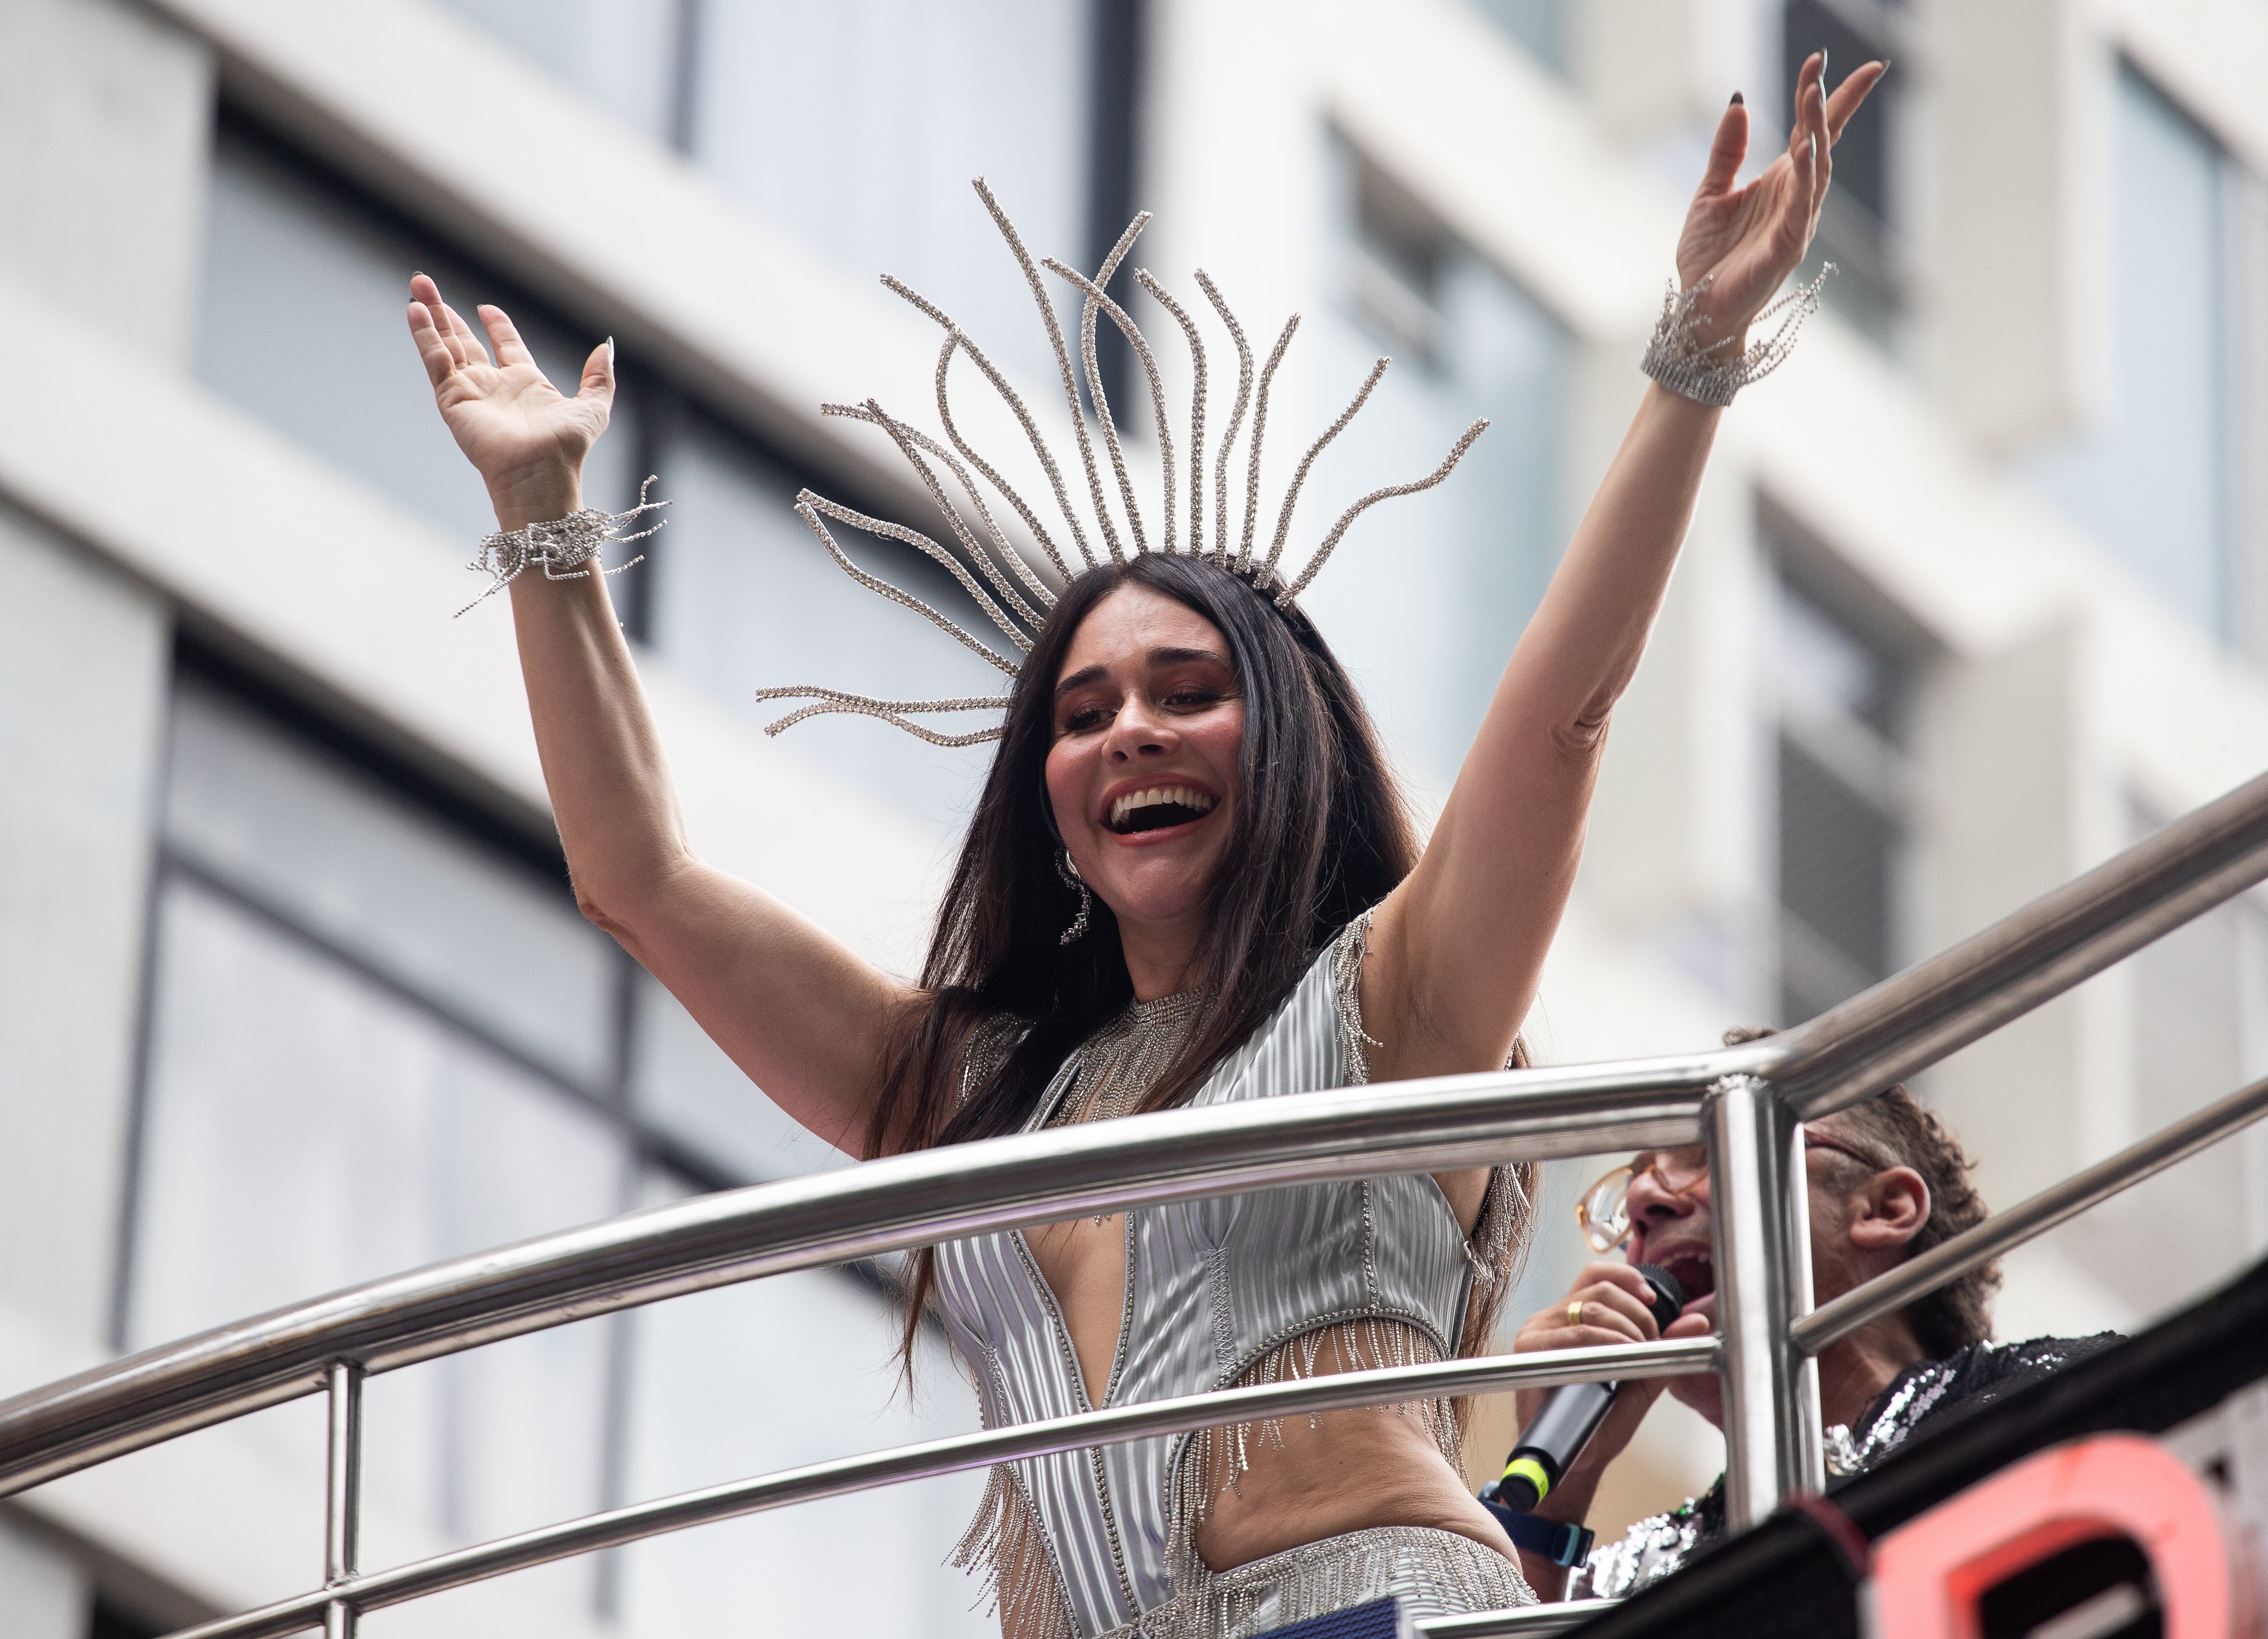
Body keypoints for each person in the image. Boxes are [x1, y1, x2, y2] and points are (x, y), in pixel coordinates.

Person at [402, 54, 1882, 1639]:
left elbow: (1563, 721)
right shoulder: (985, 1101)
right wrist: (545, 520)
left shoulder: (1399, 1008)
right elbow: (643, 882)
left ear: (1289, 747)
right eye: (1086, 709)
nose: (1132, 735)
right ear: (1048, 797)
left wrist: (1696, 359)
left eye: (1189, 694)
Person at [1507, 1027, 2121, 1601]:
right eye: (1632, 1182)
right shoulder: (1634, 1577)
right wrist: (1546, 1515)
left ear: (1884, 1208)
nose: (1643, 1199)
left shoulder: (2068, 1398)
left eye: (1710, 1150)